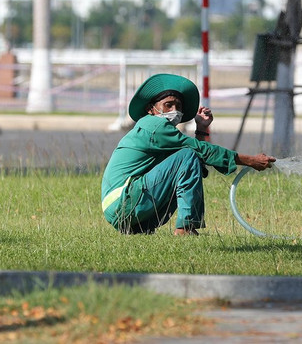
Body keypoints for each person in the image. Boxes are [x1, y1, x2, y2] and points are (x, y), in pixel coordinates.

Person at [101, 73, 275, 236]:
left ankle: (151, 227)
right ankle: (186, 227)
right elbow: (200, 152)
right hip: (122, 202)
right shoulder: (154, 126)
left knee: (188, 157)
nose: (175, 109)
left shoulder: (163, 134)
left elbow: (195, 162)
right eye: (168, 104)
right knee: (187, 155)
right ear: (151, 109)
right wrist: (251, 160)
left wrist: (201, 129)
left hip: (121, 208)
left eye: (178, 106)